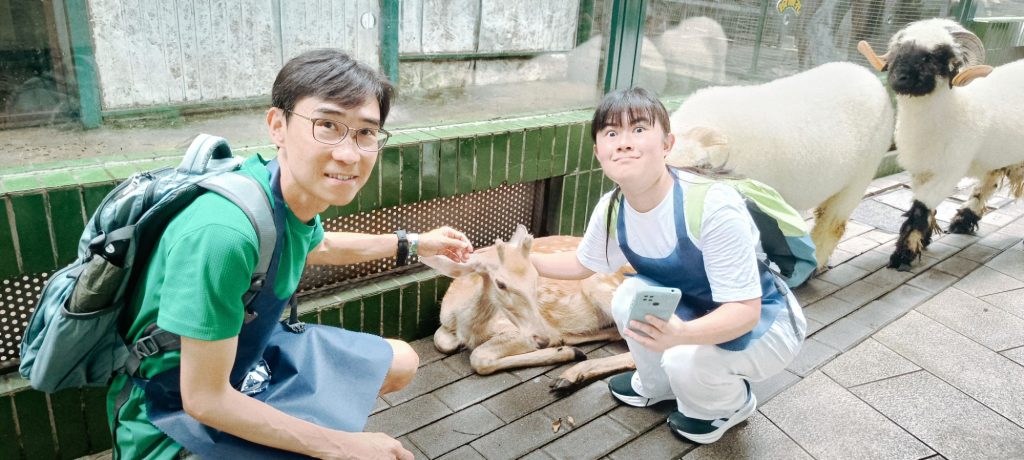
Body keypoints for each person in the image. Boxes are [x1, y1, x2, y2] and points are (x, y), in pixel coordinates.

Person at [106, 49, 473, 459]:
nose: (349, 154)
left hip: (244, 361)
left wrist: (417, 243)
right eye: (327, 125)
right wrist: (341, 446)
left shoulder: (280, 190)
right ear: (277, 126)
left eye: (366, 133)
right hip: (168, 409)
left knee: (400, 361)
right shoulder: (223, 235)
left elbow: (320, 245)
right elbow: (204, 399)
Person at [531, 87, 806, 444]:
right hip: (693, 306)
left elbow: (745, 311)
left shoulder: (711, 205)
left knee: (683, 359)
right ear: (598, 152)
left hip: (766, 323)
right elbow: (582, 263)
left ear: (667, 144)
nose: (624, 143)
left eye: (639, 129)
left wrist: (682, 337)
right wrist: (521, 260)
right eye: (611, 133)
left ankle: (727, 406)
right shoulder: (613, 206)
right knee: (627, 297)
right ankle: (656, 385)